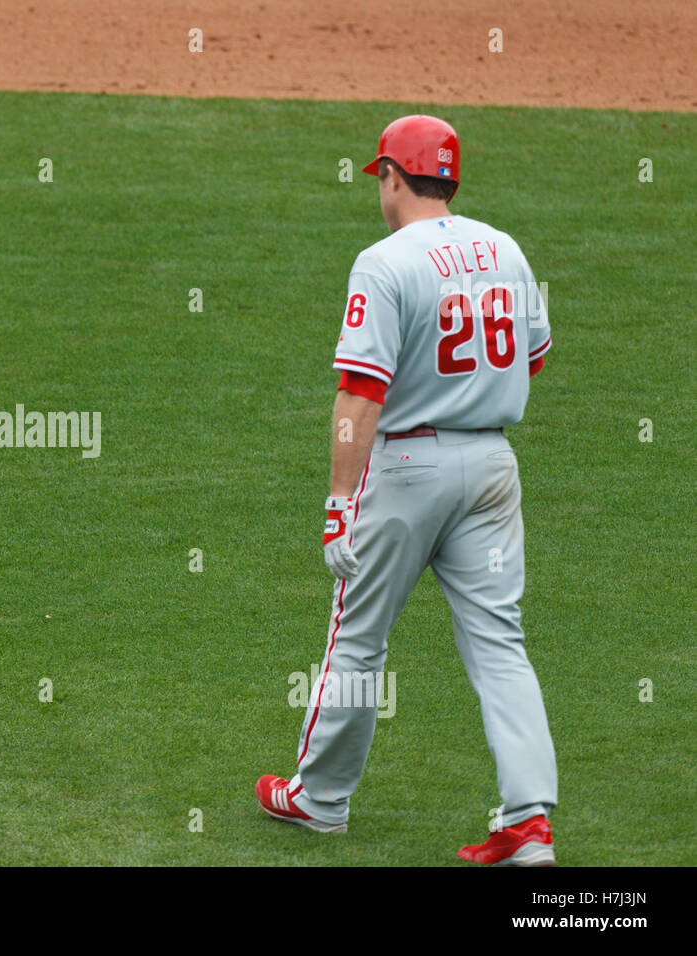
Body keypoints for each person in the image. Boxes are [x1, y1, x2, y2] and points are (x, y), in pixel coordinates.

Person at [255, 116, 558, 865]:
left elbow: (359, 397)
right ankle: (529, 824)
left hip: (407, 472)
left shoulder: (384, 261)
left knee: (357, 641)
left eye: (379, 178)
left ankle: (320, 800)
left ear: (392, 175)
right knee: (501, 644)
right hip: (491, 469)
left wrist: (337, 505)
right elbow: (534, 358)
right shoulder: (507, 248)